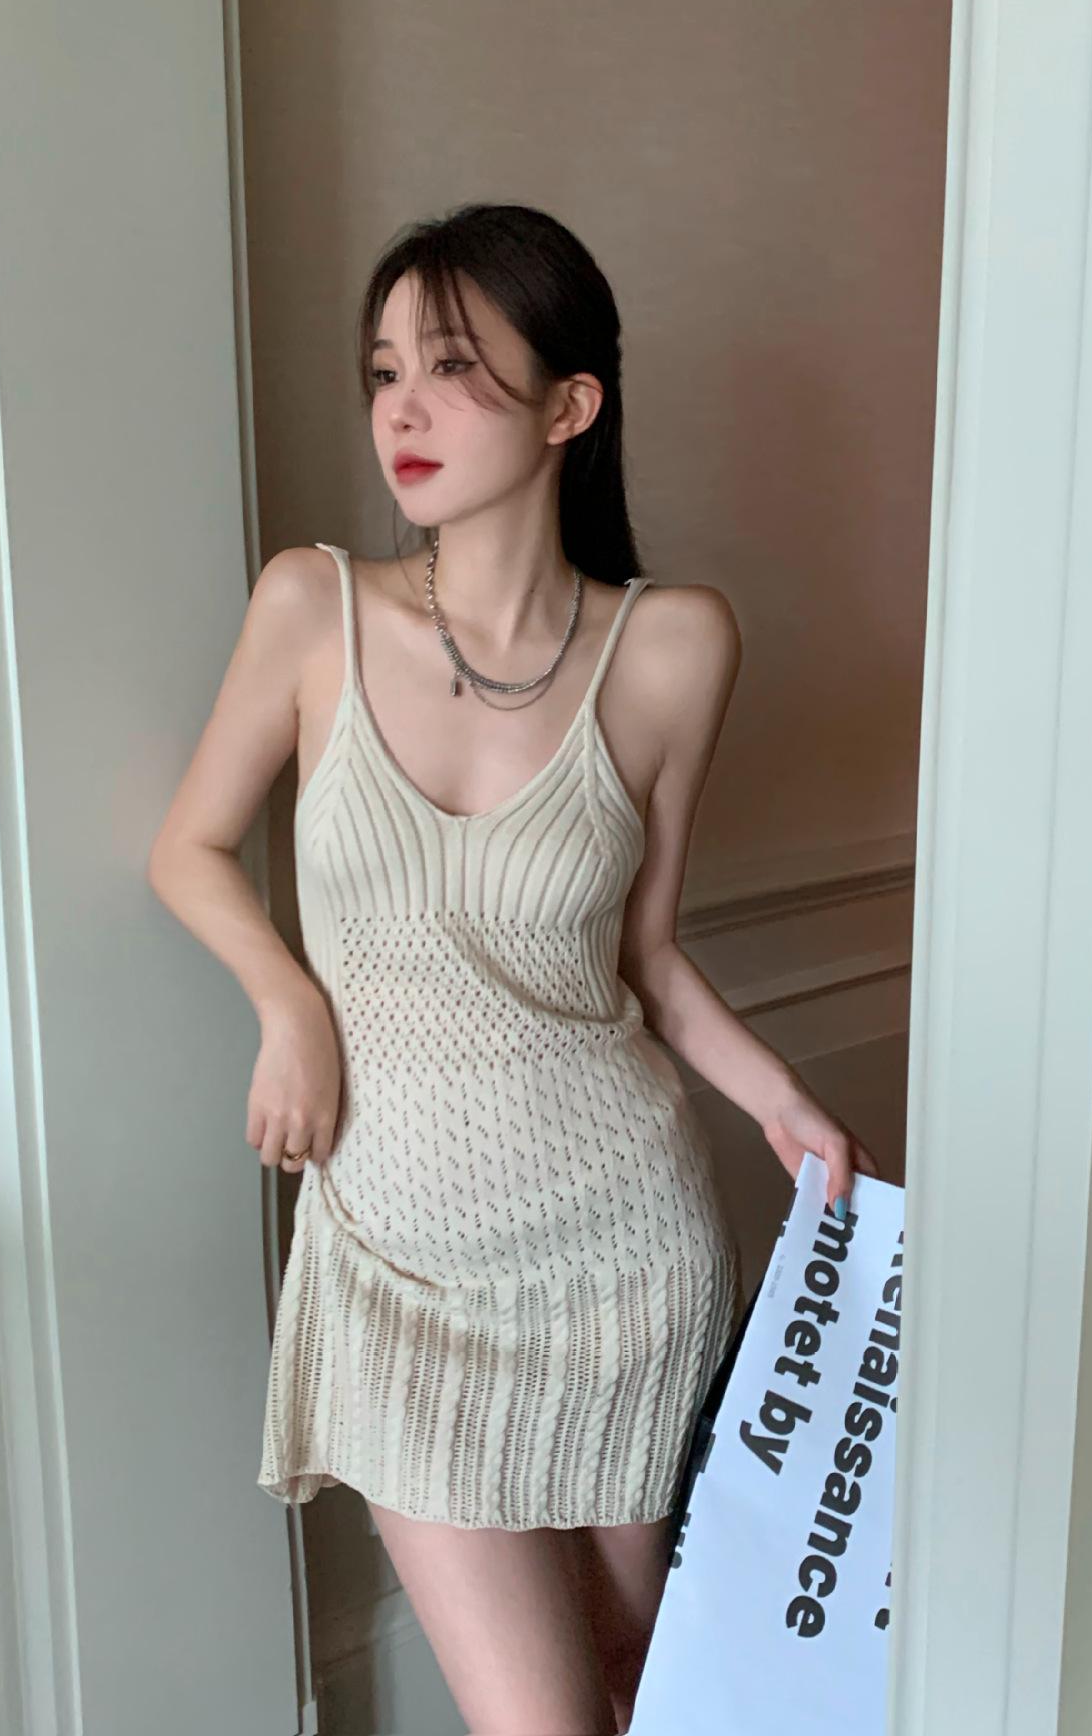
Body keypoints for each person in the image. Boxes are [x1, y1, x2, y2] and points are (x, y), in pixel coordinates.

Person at [147, 202, 878, 1734]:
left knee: (641, 1694)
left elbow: (647, 955)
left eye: (453, 367)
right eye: (384, 371)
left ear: (568, 405)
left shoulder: (673, 645)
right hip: (399, 1257)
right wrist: (290, 1005)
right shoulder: (312, 607)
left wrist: (783, 1102)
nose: (402, 409)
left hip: (626, 1256)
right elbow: (189, 849)